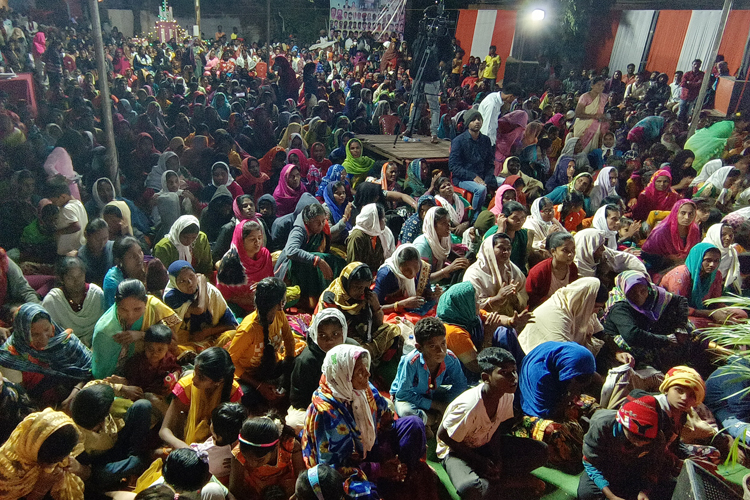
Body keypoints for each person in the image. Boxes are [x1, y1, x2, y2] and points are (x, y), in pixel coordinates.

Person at [302, 344, 436, 500]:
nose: (368, 373)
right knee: (363, 495)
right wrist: (379, 469)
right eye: (360, 371)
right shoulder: (326, 414)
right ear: (343, 377)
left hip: (371, 446)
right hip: (348, 465)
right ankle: (390, 479)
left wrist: (390, 459)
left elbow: (386, 420)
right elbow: (333, 469)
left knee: (414, 425)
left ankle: (400, 471)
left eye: (365, 367)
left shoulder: (364, 389)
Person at [436, 347, 548, 499]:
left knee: (541, 451)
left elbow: (496, 427)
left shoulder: (506, 394)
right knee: (469, 488)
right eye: (505, 373)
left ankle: (492, 478)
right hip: (456, 451)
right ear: (486, 377)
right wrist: (479, 461)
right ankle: (513, 482)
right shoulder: (469, 406)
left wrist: (497, 459)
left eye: (514, 371)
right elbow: (443, 435)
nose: (513, 378)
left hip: (483, 443)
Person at [516, 341, 597, 473]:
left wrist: (574, 393)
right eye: (577, 381)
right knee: (555, 432)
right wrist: (569, 398)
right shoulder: (539, 375)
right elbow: (547, 413)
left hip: (561, 398)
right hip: (531, 414)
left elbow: (587, 380)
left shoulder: (570, 358)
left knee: (592, 405)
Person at [229, 277, 305, 407]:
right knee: (246, 397)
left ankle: (275, 387)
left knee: (300, 366)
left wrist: (287, 373)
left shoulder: (279, 314)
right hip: (249, 376)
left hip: (270, 366)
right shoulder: (248, 330)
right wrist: (259, 386)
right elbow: (231, 362)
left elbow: (289, 339)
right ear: (280, 303)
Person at [577, 395, 669, 500]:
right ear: (622, 424)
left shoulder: (658, 438)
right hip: (604, 467)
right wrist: (611, 496)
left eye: (645, 440)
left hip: (632, 470)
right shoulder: (602, 425)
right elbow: (590, 462)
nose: (639, 443)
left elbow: (653, 468)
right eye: (634, 436)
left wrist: (645, 491)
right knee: (587, 494)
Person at [0, 303, 92, 406]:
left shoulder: (64, 341)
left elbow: (90, 369)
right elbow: (21, 400)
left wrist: (76, 392)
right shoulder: (11, 358)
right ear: (23, 332)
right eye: (35, 334)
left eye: (47, 330)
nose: (44, 339)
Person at [71, 383, 152, 491]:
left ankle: (133, 456)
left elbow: (104, 385)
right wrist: (81, 470)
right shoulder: (76, 437)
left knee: (143, 406)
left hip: (117, 439)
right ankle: (134, 463)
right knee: (135, 463)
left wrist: (123, 388)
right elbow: (87, 472)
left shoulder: (89, 392)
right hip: (100, 463)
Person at [92, 279, 180, 379]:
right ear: (116, 303)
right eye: (124, 309)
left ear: (146, 302)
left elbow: (173, 344)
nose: (130, 316)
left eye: (137, 309)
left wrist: (143, 335)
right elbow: (101, 376)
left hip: (161, 370)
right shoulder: (105, 330)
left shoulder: (154, 307)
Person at [390, 317, 467, 431]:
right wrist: (437, 406)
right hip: (409, 395)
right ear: (419, 348)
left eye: (443, 343)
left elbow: (460, 384)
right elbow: (403, 394)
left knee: (468, 396)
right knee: (406, 412)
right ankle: (434, 419)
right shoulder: (411, 362)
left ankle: (429, 421)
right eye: (432, 346)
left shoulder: (450, 358)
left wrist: (448, 403)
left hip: (432, 392)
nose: (441, 351)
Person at [160, 347, 242, 448]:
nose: (194, 379)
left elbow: (234, 433)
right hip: (186, 444)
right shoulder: (186, 387)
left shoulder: (233, 391)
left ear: (218, 381)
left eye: (201, 378)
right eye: (195, 372)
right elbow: (164, 430)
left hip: (218, 446)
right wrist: (186, 448)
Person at [319, 262, 402, 362]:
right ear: (346, 283)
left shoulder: (367, 296)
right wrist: (351, 340)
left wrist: (376, 308)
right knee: (354, 352)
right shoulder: (331, 299)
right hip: (337, 340)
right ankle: (365, 358)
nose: (362, 292)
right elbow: (330, 332)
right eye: (357, 287)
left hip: (362, 337)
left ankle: (370, 359)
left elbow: (378, 324)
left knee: (393, 332)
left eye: (365, 287)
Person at [0, 408, 89, 500]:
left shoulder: (67, 444)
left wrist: (79, 469)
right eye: (54, 461)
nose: (63, 460)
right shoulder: (5, 472)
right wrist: (40, 489)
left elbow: (88, 475)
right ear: (34, 453)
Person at [288, 309, 349, 431]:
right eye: (322, 335)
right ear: (315, 335)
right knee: (294, 423)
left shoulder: (352, 351)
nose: (329, 340)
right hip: (315, 407)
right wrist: (326, 409)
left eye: (335, 334)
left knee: (385, 405)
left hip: (348, 402)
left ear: (344, 333)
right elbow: (298, 400)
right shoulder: (306, 360)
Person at [275, 202, 346, 308]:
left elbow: (328, 238)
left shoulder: (321, 228)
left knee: (337, 260)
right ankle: (315, 299)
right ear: (307, 222)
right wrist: (317, 260)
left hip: (308, 263)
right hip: (294, 267)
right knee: (321, 259)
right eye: (317, 222)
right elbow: (291, 251)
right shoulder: (299, 231)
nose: (321, 225)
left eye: (323, 221)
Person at [660, 242, 747, 328]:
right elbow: (678, 308)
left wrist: (723, 313)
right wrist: (711, 314)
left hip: (703, 311)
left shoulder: (716, 275)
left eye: (716, 261)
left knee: (741, 314)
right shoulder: (680, 275)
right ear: (698, 259)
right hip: (675, 313)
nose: (712, 265)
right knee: (693, 324)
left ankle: (715, 327)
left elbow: (716, 302)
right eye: (708, 260)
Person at [164, 261, 238, 354]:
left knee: (233, 335)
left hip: (212, 337)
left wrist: (207, 332)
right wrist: (202, 283)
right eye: (182, 281)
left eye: (191, 277)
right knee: (172, 345)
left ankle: (211, 354)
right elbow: (199, 309)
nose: (190, 283)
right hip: (188, 340)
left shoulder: (212, 292)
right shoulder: (171, 296)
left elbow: (232, 325)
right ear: (174, 283)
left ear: (196, 275)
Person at [518, 277, 605, 356]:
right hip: (537, 360)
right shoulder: (556, 313)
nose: (596, 311)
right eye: (596, 306)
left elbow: (600, 333)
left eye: (599, 308)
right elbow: (563, 354)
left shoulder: (582, 308)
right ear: (586, 300)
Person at [229, 415, 306, 500]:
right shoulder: (238, 454)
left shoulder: (290, 446)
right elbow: (235, 491)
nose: (252, 464)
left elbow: (301, 482)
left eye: (259, 460)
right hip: (256, 492)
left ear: (276, 446)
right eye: (246, 458)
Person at [42, 256, 105, 347]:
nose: (77, 281)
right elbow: (49, 335)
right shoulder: (52, 301)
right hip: (64, 349)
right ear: (62, 279)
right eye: (70, 278)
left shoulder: (96, 295)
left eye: (80, 276)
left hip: (96, 346)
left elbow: (103, 327)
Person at [216, 221, 275, 315]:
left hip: (262, 300)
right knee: (235, 324)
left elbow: (271, 278)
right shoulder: (230, 261)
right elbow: (223, 295)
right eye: (252, 239)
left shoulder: (265, 255)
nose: (258, 242)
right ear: (241, 240)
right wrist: (246, 299)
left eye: (259, 238)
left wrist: (263, 286)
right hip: (237, 304)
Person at [464, 233, 528, 317]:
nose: (506, 252)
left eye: (508, 249)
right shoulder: (474, 273)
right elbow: (471, 305)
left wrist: (515, 297)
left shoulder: (514, 271)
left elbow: (524, 295)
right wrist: (497, 298)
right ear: (489, 249)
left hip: (512, 317)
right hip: (486, 320)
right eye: (501, 248)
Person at [449, 109, 498, 213]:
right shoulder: (458, 141)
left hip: (483, 177)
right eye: (473, 120)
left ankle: (499, 211)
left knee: (506, 182)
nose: (477, 122)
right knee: (480, 189)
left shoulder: (486, 140)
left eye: (479, 119)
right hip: (463, 178)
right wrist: (473, 176)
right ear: (468, 123)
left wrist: (488, 178)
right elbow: (453, 166)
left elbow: (490, 163)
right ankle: (475, 215)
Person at [373, 243, 438, 318]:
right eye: (407, 270)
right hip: (392, 312)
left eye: (416, 268)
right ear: (398, 265)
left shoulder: (423, 268)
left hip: (412, 310)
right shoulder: (386, 275)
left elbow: (425, 293)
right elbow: (375, 308)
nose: (413, 274)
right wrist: (401, 304)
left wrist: (432, 294)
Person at [413, 207, 469, 283]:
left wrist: (464, 262)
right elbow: (420, 278)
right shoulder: (422, 246)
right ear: (433, 226)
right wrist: (446, 270)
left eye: (448, 222)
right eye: (443, 223)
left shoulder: (444, 240)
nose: (448, 226)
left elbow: (448, 254)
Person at [526, 232, 578, 310]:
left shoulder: (573, 268)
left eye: (573, 250)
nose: (571, 254)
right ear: (553, 251)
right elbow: (532, 300)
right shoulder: (539, 272)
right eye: (565, 250)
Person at [574, 228, 647, 280]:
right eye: (599, 247)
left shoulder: (604, 252)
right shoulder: (574, 269)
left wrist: (643, 275)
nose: (603, 249)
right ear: (588, 249)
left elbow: (627, 258)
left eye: (603, 245)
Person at [346, 203, 394, 272]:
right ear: (375, 220)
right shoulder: (357, 237)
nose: (385, 220)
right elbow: (354, 266)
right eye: (383, 218)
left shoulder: (383, 233)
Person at [103, 236, 145, 309]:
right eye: (131, 256)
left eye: (140, 251)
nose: (139, 258)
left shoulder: (148, 267)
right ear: (120, 261)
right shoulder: (112, 282)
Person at [48, 180, 88, 256]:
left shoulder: (67, 208)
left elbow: (76, 226)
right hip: (79, 248)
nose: (54, 204)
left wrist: (58, 232)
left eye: (54, 201)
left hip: (69, 252)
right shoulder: (78, 203)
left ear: (63, 196)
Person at [573, 76, 608, 154]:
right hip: (582, 127)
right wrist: (594, 116)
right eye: (598, 85)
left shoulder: (603, 97)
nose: (601, 87)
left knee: (591, 151)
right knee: (579, 150)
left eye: (603, 85)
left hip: (596, 127)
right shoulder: (585, 97)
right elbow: (578, 114)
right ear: (592, 85)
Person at [702, 223, 741, 292]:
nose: (728, 238)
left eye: (730, 235)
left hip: (721, 289)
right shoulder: (702, 250)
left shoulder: (731, 252)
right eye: (723, 235)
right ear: (714, 235)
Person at [78, 218, 114, 287]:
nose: (102, 243)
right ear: (86, 235)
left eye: (105, 238)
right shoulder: (80, 257)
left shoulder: (113, 248)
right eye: (97, 239)